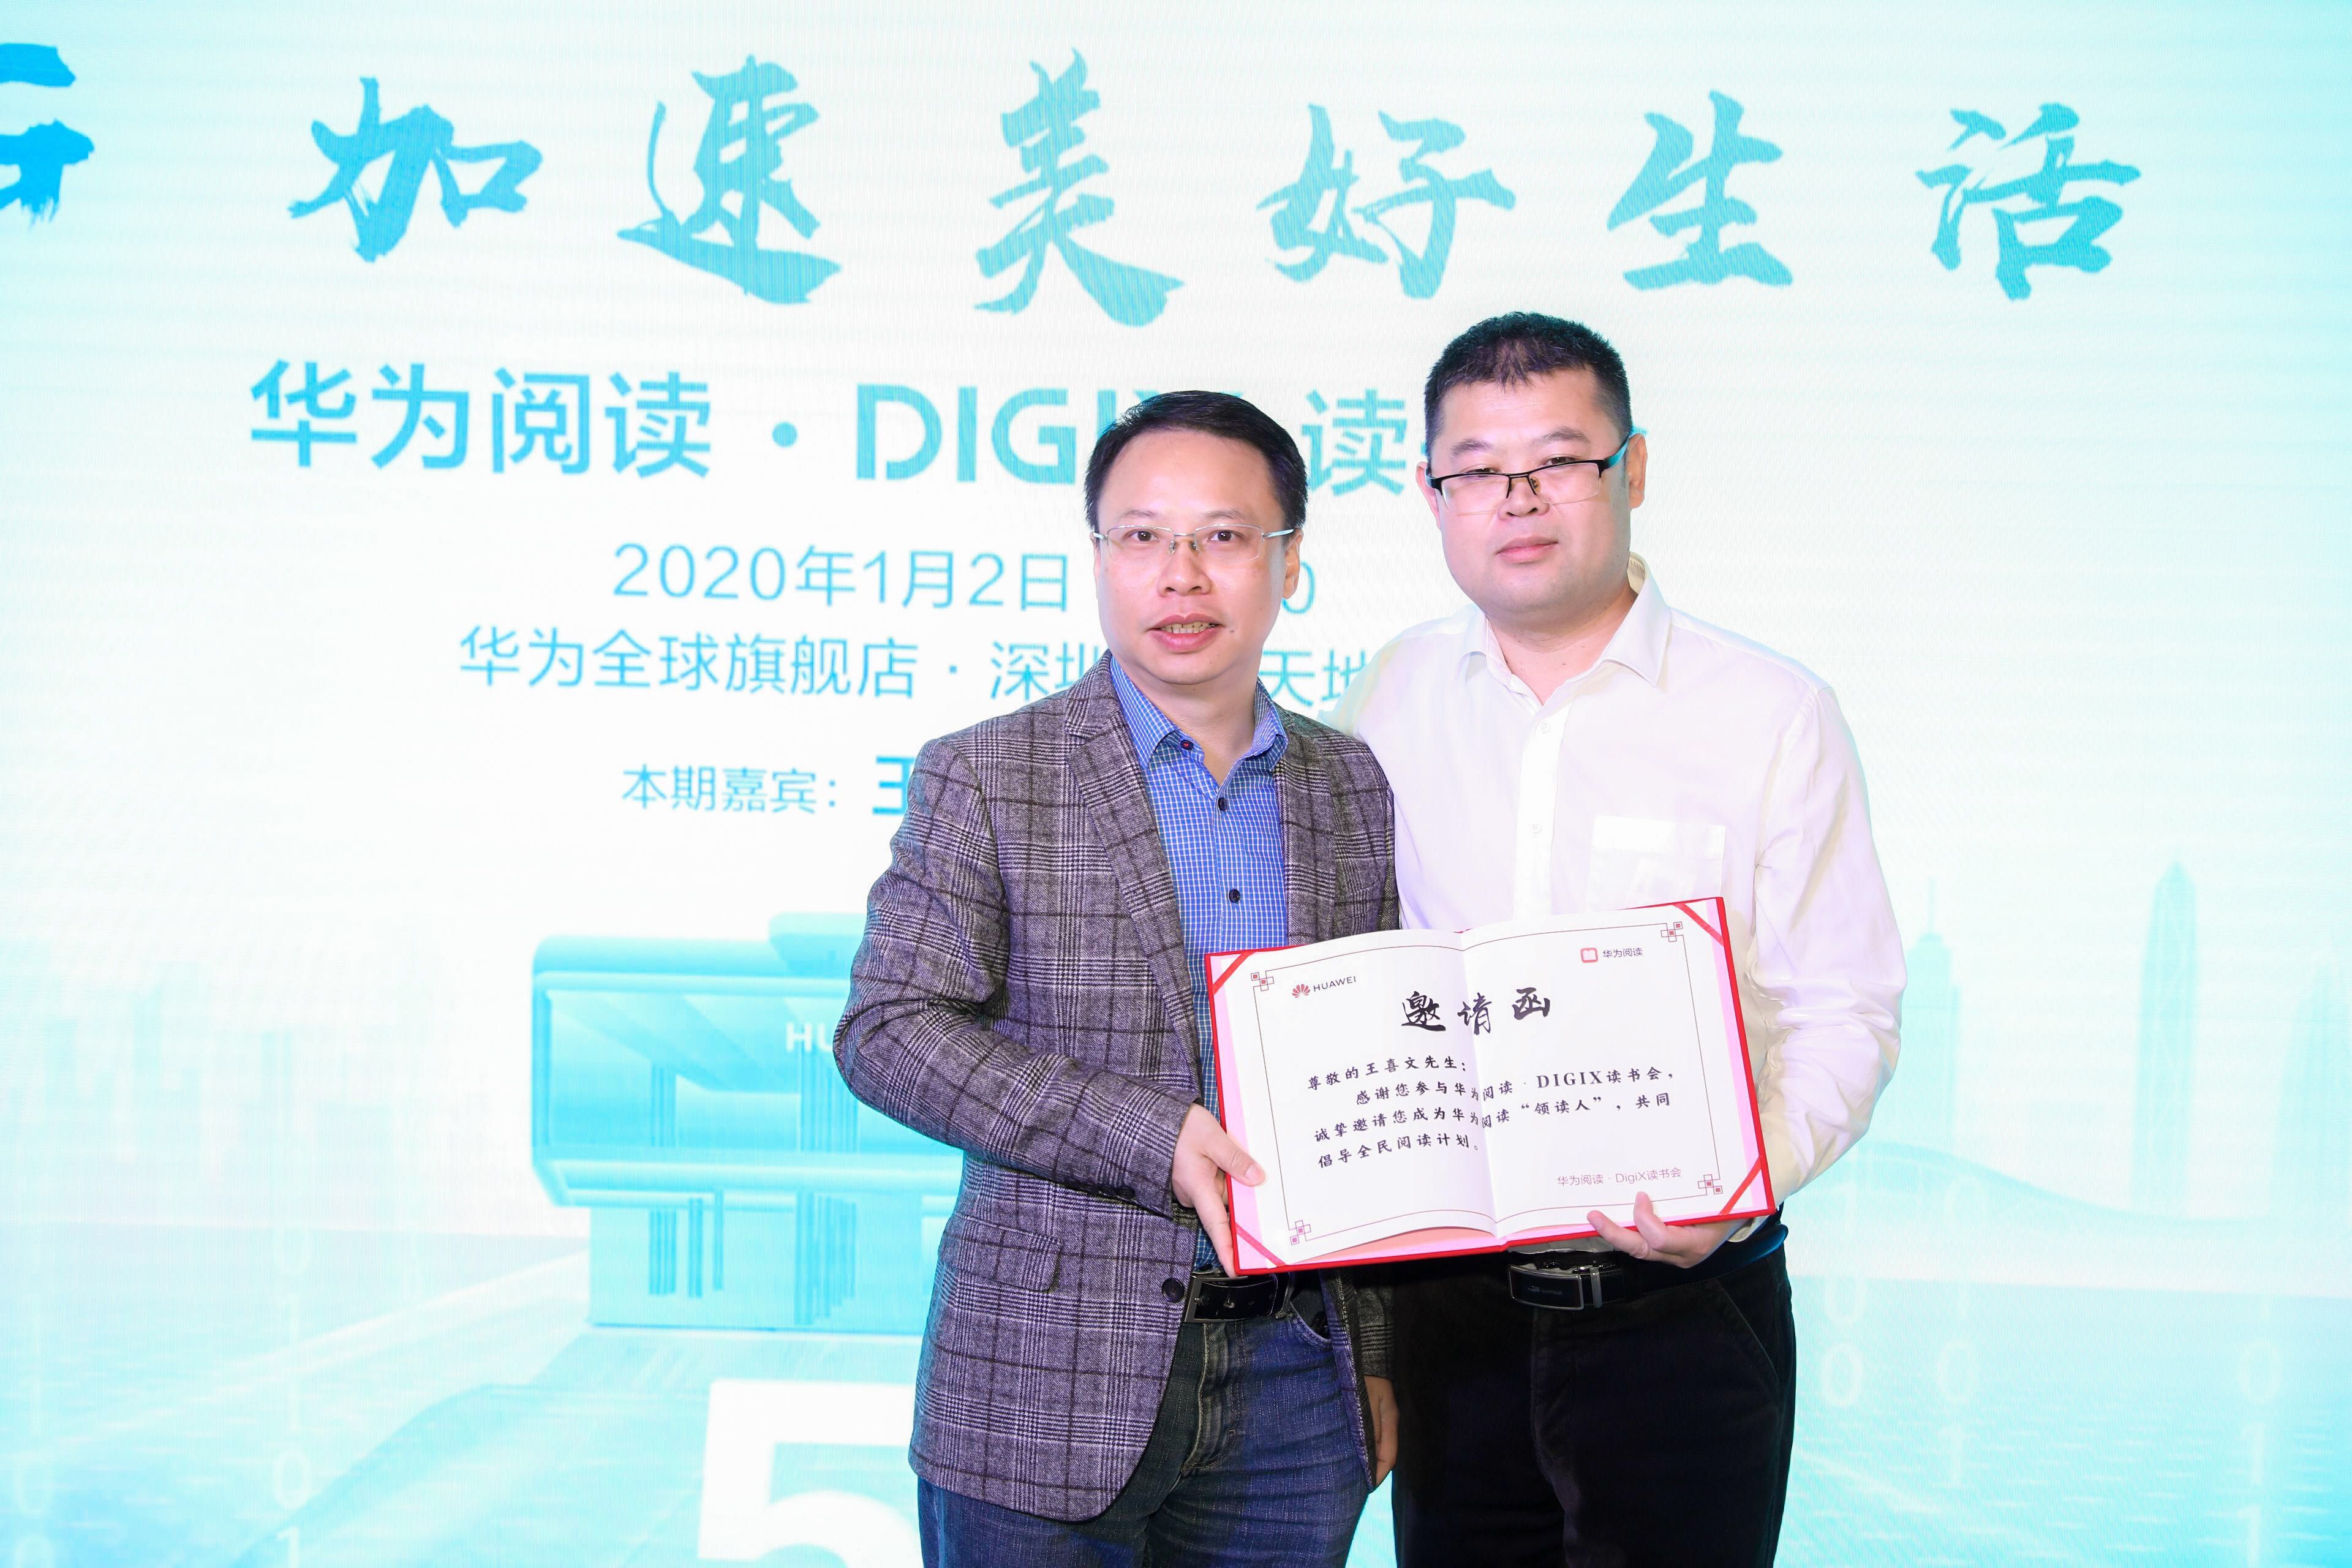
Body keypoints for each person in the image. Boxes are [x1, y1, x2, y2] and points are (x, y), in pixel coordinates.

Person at [1333, 312, 1905, 1567]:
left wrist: (1740, 1179)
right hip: (1454, 1320)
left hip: (1682, 1315)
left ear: (1633, 469)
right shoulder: (1388, 697)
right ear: (1430, 493)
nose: (1517, 499)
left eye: (1559, 460)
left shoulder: (1770, 712)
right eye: (1477, 469)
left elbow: (1845, 1009)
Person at [835, 390, 1401, 1567]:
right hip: (1042, 1377)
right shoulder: (990, 773)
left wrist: (1381, 1361)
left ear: (1290, 561)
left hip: (1301, 1386)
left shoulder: (1353, 784)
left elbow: (1388, 1072)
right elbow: (887, 1030)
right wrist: (1153, 1137)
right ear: (1098, 557)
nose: (1181, 574)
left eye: (1225, 536)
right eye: (1142, 536)